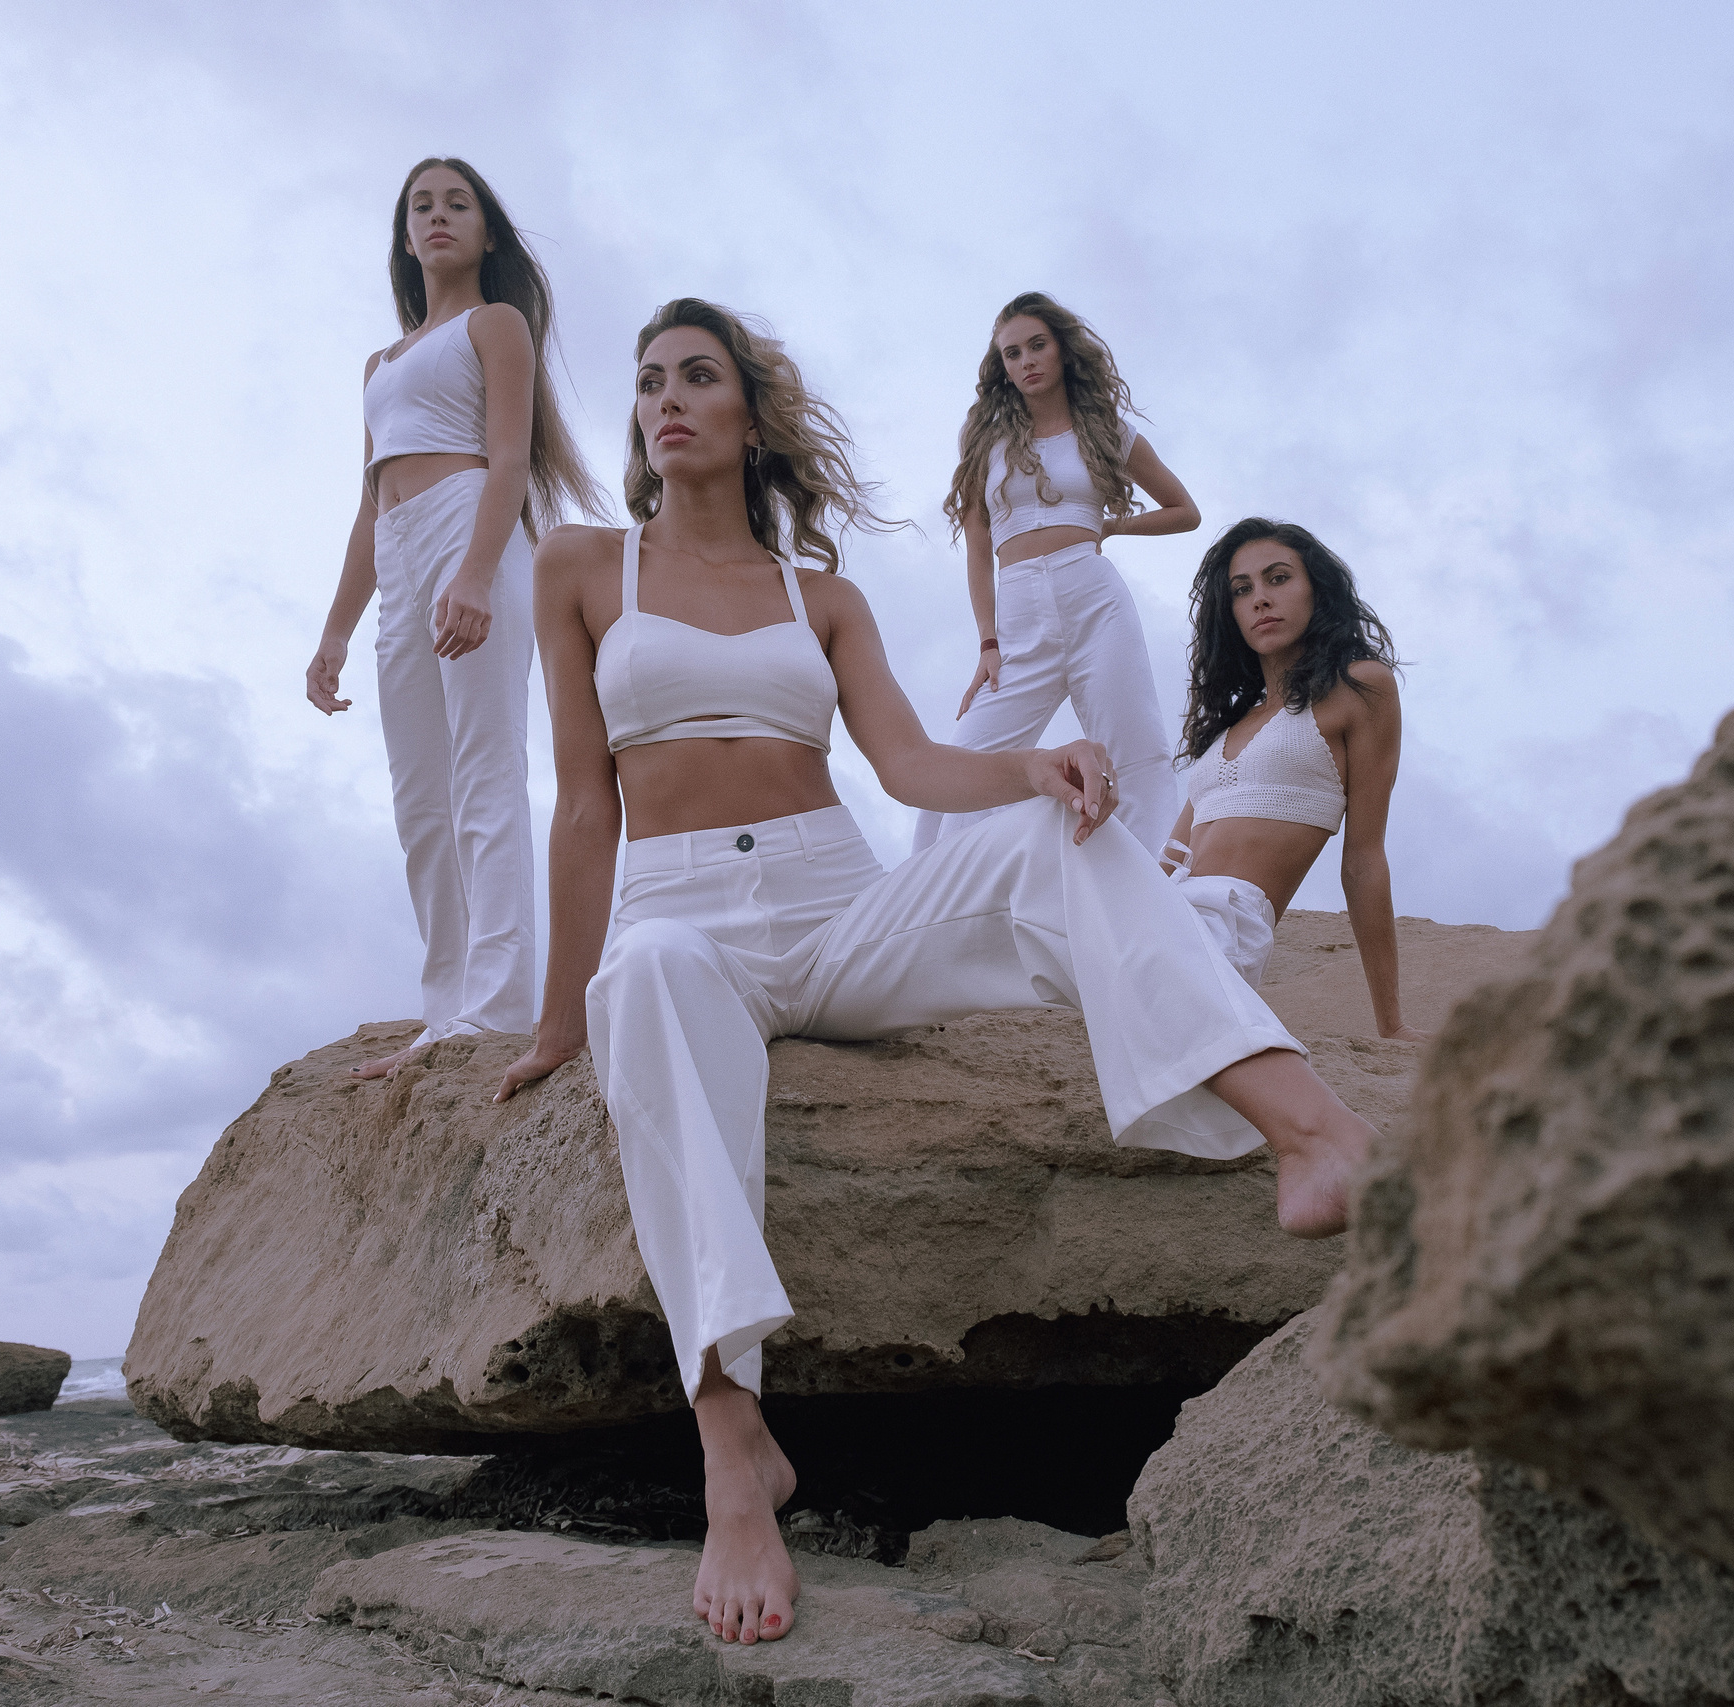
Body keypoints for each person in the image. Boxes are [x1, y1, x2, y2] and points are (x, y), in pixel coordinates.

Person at [493, 300, 1379, 1649]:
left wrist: (1032, 762)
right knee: (650, 978)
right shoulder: (580, 564)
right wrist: (563, 1020)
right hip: (682, 914)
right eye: (649, 379)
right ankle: (735, 1441)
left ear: (751, 416)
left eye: (698, 376)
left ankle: (1307, 1127)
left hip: (835, 903)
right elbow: (578, 805)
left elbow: (909, 766)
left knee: (1054, 830)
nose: (665, 397)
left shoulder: (820, 595)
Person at [306, 157, 601, 1079]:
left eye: (457, 204)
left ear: (486, 231)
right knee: (420, 799)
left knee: (485, 771)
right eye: (422, 206)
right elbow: (368, 504)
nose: (438, 216)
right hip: (398, 550)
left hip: (470, 528)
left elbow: (510, 460)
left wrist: (475, 572)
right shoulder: (380, 364)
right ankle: (446, 1007)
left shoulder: (494, 325)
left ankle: (498, 1002)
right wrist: (335, 631)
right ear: (405, 236)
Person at [913, 291, 1199, 857]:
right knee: (965, 758)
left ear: (1062, 350)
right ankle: (934, 889)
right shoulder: (987, 444)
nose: (1027, 361)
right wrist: (988, 643)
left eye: (1037, 345)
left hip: (1094, 597)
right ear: (1003, 367)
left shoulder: (1106, 431)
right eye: (1013, 353)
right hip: (1019, 612)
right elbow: (978, 551)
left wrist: (1108, 527)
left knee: (1137, 751)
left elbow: (1184, 511)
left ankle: (1157, 888)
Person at [1161, 518, 1428, 1041]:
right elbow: (1171, 859)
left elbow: (1364, 859)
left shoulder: (1361, 687)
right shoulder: (1232, 728)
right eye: (1242, 590)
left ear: (1317, 591)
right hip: (1165, 914)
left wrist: (1391, 1023)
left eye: (1278, 578)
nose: (1260, 598)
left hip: (1224, 927)